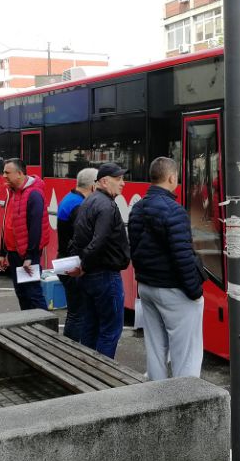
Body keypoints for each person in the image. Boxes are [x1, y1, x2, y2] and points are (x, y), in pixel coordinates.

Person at [128, 157, 205, 380]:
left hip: (147, 287)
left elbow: (135, 248)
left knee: (155, 346)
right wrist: (195, 291)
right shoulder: (175, 211)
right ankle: (186, 395)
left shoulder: (138, 208)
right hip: (172, 289)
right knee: (186, 352)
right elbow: (182, 256)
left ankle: (158, 392)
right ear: (172, 178)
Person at [67, 162, 131, 358]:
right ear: (104, 181)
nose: (123, 183)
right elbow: (99, 242)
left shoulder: (88, 201)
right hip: (105, 275)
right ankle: (102, 373)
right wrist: (84, 265)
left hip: (91, 276)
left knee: (91, 326)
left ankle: (87, 369)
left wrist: (82, 265)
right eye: (118, 179)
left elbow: (77, 239)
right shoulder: (107, 206)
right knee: (110, 330)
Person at [0, 158, 50, 311]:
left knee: (33, 293)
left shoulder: (34, 195)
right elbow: (6, 223)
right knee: (21, 293)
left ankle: (45, 324)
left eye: (7, 173)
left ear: (20, 173)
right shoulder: (11, 193)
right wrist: (2, 252)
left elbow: (36, 228)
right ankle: (28, 323)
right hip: (14, 254)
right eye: (3, 172)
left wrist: (30, 257)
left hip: (27, 255)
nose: (4, 176)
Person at [55, 167, 97, 340]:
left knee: (75, 312)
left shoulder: (69, 198)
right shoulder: (79, 206)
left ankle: (68, 347)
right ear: (93, 186)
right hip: (72, 265)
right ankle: (71, 349)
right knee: (78, 314)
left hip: (64, 261)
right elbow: (81, 239)